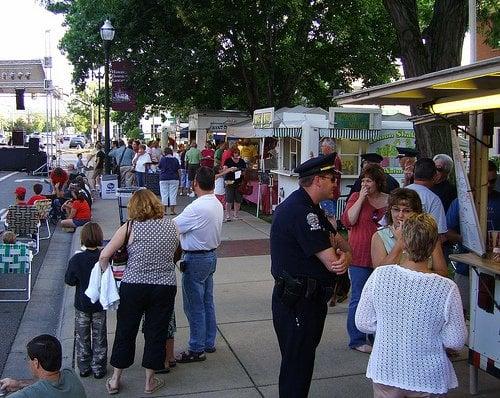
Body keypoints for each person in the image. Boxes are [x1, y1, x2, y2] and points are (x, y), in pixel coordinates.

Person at [356, 213, 467, 398]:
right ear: (434, 245)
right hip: (428, 376)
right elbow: (455, 341)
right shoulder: (446, 288)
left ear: (403, 241)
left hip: (386, 369)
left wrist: (391, 326)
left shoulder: (380, 276)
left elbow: (363, 322)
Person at [271, 153, 351, 397]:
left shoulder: (310, 208)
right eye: (331, 178)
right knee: (297, 367)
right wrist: (342, 256)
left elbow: (344, 248)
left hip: (307, 299)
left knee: (301, 363)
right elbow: (333, 262)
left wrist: (344, 255)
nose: (335, 183)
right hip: (299, 301)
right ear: (318, 180)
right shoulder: (302, 212)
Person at [99, 189, 178, 395]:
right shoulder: (172, 225)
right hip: (164, 286)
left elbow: (104, 255)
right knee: (156, 332)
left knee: (125, 330)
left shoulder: (130, 227)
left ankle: (116, 379)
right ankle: (149, 381)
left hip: (133, 285)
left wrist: (109, 277)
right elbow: (176, 252)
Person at [173, 166, 223, 362]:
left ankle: (196, 348)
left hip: (195, 258)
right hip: (210, 256)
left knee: (194, 305)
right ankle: (208, 342)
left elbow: (173, 227)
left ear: (195, 183)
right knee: (206, 302)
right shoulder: (216, 203)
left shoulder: (196, 207)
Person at [341, 164, 388, 354]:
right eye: (363, 180)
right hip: (360, 254)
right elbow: (348, 221)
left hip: (383, 254)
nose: (365, 184)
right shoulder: (355, 197)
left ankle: (379, 336)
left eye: (369, 180)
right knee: (359, 297)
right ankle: (357, 338)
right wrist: (361, 197)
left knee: (381, 299)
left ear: (378, 182)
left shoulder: (388, 200)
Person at [446, 160, 500, 314]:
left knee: (489, 313)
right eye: (485, 182)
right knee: (459, 310)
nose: (489, 186)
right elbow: (448, 232)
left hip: (494, 267)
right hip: (466, 267)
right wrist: (468, 239)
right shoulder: (461, 202)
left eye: (493, 181)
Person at [371, 188, 448, 277]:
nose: (400, 215)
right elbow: (379, 274)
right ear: (390, 211)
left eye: (407, 211)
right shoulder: (379, 236)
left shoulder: (428, 235)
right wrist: (400, 243)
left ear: (417, 213)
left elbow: (442, 273)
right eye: (396, 210)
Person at [65, 222, 107, 379]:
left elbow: (69, 280)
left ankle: (84, 367)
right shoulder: (103, 257)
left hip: (82, 304)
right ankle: (99, 367)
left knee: (82, 337)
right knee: (100, 336)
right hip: (99, 304)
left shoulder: (77, 259)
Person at [0, 334, 87, 397]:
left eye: (28, 358)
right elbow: (48, 384)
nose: (28, 362)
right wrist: (19, 384)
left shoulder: (25, 395)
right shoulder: (70, 374)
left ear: (36, 363)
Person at [406, 158, 448, 235]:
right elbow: (438, 232)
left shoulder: (399, 193)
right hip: (420, 244)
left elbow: (385, 223)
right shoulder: (433, 199)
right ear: (435, 176)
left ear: (414, 174)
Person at [318, 138, 342, 220]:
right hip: (330, 192)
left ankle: (331, 232)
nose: (321, 148)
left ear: (329, 147)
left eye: (323, 146)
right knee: (328, 216)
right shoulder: (331, 158)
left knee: (329, 217)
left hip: (329, 193)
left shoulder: (333, 159)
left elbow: (333, 176)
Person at [223, 148, 247, 221]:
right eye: (235, 153)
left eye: (237, 153)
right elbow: (224, 170)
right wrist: (230, 169)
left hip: (239, 182)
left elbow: (245, 171)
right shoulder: (228, 161)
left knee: (238, 199)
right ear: (232, 153)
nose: (236, 154)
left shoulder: (242, 161)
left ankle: (236, 214)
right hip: (229, 181)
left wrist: (240, 170)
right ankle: (227, 215)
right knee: (229, 199)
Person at [158, 147, 181, 215]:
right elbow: (178, 170)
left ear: (165, 153)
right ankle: (172, 211)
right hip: (174, 178)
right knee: (173, 195)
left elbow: (159, 167)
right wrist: (179, 178)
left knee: (164, 194)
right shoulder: (175, 160)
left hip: (163, 178)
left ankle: (164, 211)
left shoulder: (162, 159)